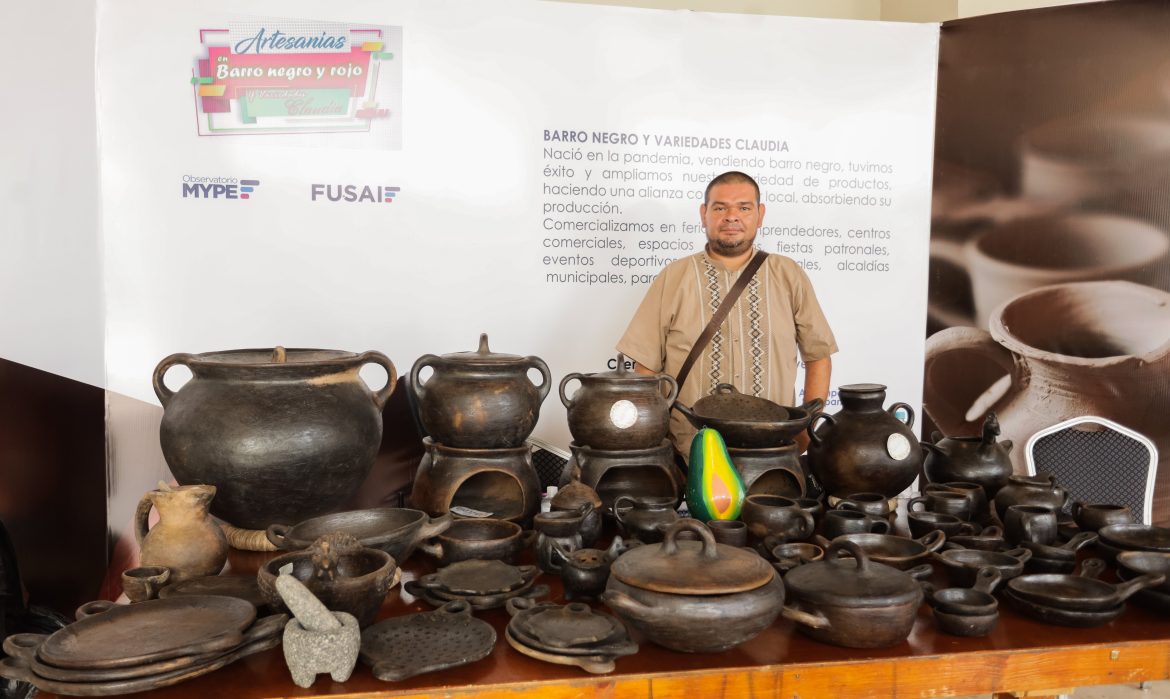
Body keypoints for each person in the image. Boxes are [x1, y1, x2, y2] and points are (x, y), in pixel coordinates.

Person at [617, 170, 837, 462]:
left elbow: (818, 356)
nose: (731, 217)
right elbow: (645, 369)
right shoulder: (674, 277)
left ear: (760, 215)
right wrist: (656, 435)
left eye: (744, 208)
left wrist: (807, 429)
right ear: (704, 213)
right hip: (690, 452)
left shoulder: (788, 275)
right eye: (720, 208)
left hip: (772, 452)